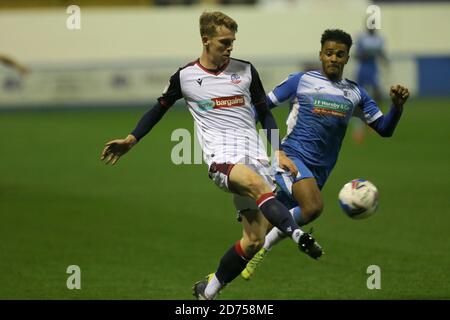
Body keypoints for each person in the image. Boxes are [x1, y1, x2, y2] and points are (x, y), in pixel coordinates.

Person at [100, 11, 323, 300]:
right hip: (222, 161)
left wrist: (277, 150)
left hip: (256, 157)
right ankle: (297, 236)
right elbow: (159, 109)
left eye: (232, 42)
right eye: (224, 42)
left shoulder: (246, 70)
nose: (230, 48)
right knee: (256, 185)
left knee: (253, 241)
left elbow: (265, 113)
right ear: (206, 41)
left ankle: (209, 290)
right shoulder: (186, 76)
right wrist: (131, 139)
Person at [241, 29, 409, 280]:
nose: (333, 58)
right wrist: (249, 141)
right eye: (329, 53)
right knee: (313, 207)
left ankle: (215, 282)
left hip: (321, 170)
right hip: (291, 158)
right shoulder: (300, 81)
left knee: (263, 228)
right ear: (321, 55)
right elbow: (262, 108)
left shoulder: (355, 94)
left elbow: (384, 129)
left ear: (347, 59)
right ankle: (262, 246)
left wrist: (396, 107)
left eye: (339, 54)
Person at [351, 27, 389, 144]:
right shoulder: (362, 38)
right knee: (359, 100)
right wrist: (366, 54)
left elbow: (381, 53)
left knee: (378, 97)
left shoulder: (379, 39)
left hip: (373, 72)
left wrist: (385, 60)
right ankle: (358, 130)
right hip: (362, 72)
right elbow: (356, 55)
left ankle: (371, 122)